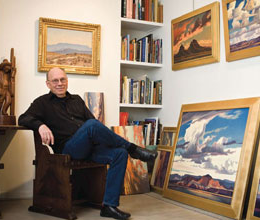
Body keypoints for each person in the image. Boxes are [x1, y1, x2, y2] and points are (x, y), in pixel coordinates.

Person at [18, 67, 157, 220]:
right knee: (92, 125)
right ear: (48, 84)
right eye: (55, 81)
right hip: (68, 149)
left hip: (90, 148)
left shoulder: (76, 100)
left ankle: (109, 206)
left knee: (119, 153)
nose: (59, 83)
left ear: (67, 80)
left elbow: (93, 125)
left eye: (62, 79)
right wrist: (40, 125)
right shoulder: (42, 103)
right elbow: (23, 118)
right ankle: (133, 149)